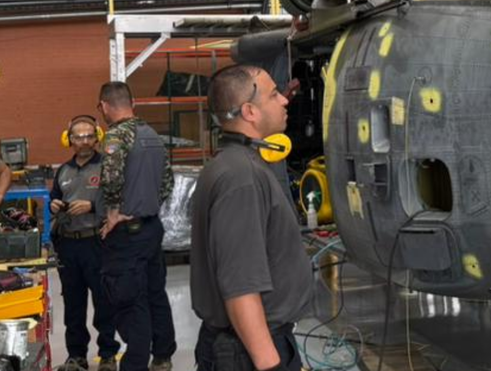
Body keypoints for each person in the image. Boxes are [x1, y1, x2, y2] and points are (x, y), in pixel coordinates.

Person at [191, 65, 312, 371]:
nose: (284, 100)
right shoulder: (241, 177)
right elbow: (240, 286)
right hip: (250, 351)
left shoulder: (234, 165)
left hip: (250, 345)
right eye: (274, 95)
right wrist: (270, 363)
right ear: (249, 111)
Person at [97, 81, 177, 371]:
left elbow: (110, 179)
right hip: (151, 228)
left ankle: (135, 364)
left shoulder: (116, 136)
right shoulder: (152, 135)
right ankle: (163, 355)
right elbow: (167, 183)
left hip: (127, 235)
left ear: (104, 106)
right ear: (133, 103)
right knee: (156, 292)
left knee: (131, 301)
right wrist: (146, 205)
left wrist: (115, 213)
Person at [51, 116, 118, 371]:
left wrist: (91, 206)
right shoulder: (63, 171)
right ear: (68, 140)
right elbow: (55, 198)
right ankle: (76, 355)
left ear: (98, 137)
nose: (84, 141)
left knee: (104, 301)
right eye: (78, 137)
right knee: (73, 304)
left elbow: (118, 200)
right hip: (69, 245)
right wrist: (54, 205)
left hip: (97, 242)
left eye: (89, 135)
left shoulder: (106, 167)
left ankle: (108, 354)